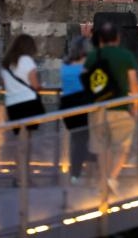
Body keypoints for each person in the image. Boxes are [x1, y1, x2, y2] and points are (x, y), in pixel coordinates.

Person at [85, 21, 138, 194]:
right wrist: (135, 108)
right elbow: (134, 85)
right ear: (117, 38)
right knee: (123, 147)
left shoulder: (93, 56)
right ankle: (111, 177)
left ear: (100, 38)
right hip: (120, 108)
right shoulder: (126, 56)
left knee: (102, 148)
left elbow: (88, 81)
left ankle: (104, 180)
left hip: (98, 109)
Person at [59, 36, 93, 184]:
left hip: (67, 104)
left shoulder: (65, 65)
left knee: (76, 139)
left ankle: (76, 171)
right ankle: (78, 171)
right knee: (82, 140)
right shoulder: (86, 68)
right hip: (81, 104)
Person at [1, 34, 44, 132]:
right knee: (31, 132)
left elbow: (4, 85)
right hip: (28, 103)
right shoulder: (27, 60)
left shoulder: (6, 62)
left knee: (15, 135)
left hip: (12, 103)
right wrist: (40, 86)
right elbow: (35, 85)